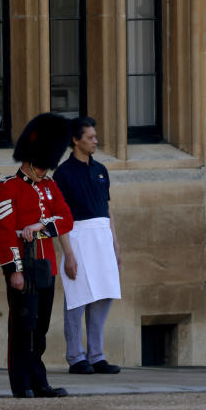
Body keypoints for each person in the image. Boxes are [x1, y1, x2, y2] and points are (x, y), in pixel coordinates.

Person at [0, 113, 75, 398]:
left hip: (45, 266)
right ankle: (22, 383)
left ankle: (40, 381)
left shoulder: (50, 187)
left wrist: (41, 225)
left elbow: (66, 219)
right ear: (29, 160)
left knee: (40, 328)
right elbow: (3, 232)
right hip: (22, 265)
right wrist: (14, 270)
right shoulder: (7, 188)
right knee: (22, 327)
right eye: (41, 166)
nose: (44, 171)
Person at [53, 117, 122, 375]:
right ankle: (76, 356)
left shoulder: (101, 169)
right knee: (77, 297)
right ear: (76, 140)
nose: (95, 141)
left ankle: (97, 354)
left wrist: (115, 244)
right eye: (90, 137)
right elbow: (60, 217)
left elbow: (107, 209)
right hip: (78, 236)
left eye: (95, 136)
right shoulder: (63, 173)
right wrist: (68, 253)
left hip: (102, 236)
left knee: (103, 295)